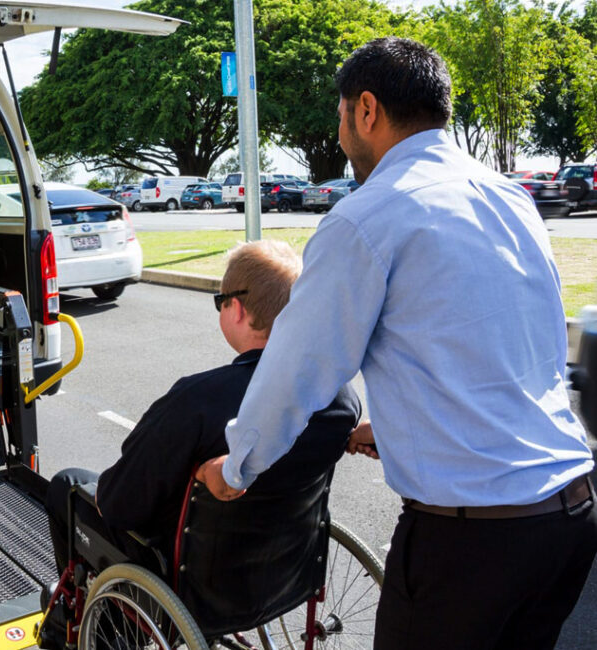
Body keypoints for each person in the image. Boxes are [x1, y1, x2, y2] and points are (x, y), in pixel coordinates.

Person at [197, 37, 597, 649]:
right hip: (568, 516)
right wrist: (397, 428)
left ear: (366, 109)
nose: (338, 137)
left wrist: (236, 468)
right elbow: (510, 349)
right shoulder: (511, 198)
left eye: (338, 117)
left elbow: (296, 370)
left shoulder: (367, 217)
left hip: (471, 542)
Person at [43, 240, 361, 608]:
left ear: (237, 309)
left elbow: (118, 506)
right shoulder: (339, 396)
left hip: (190, 583)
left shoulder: (196, 400)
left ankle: (80, 622)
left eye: (219, 301)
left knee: (67, 485)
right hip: (283, 574)